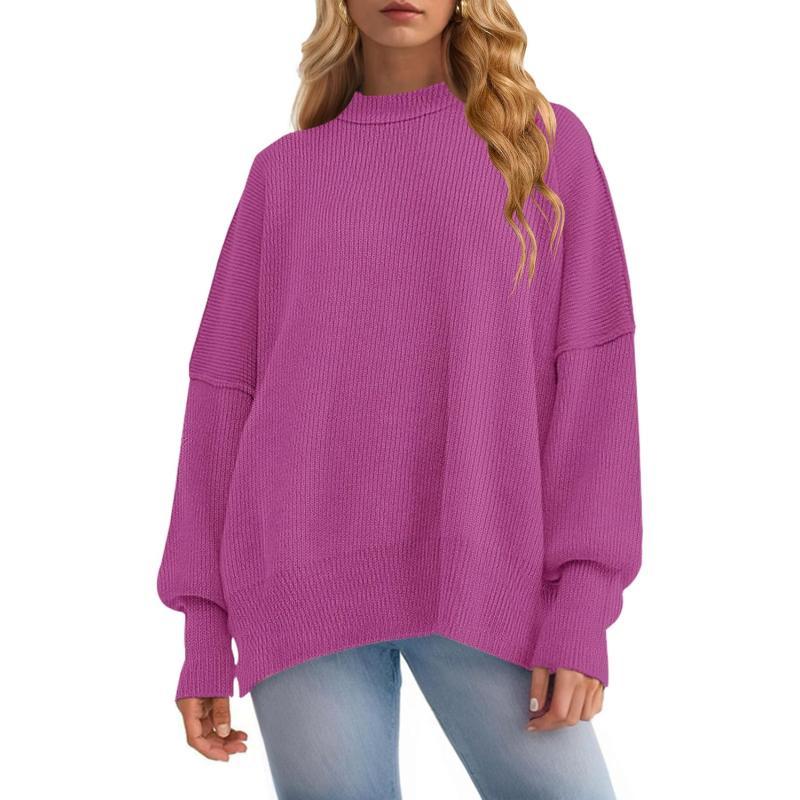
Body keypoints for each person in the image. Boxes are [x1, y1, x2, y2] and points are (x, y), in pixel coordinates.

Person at [155, 0, 643, 796]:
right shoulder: (283, 175)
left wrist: (583, 602)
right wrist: (204, 627)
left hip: (485, 575)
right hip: (298, 581)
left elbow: (594, 382)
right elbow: (222, 400)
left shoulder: (543, 145)